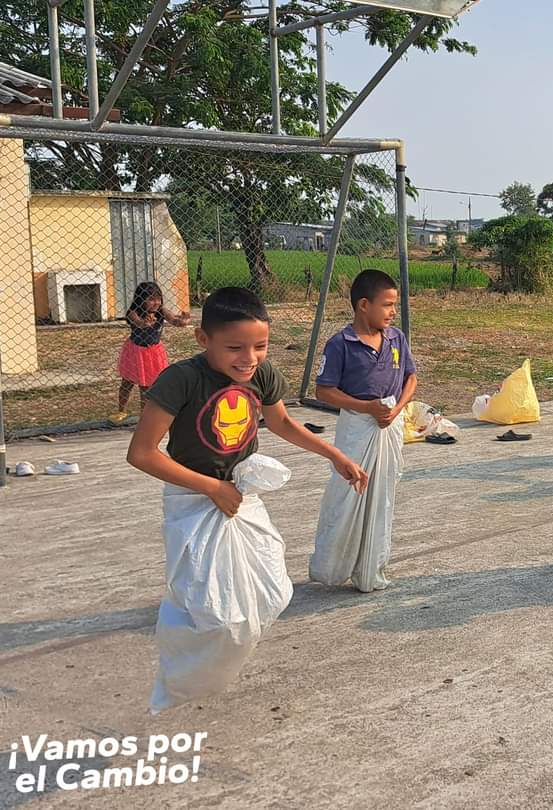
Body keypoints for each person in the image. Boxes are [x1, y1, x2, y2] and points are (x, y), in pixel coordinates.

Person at [126, 286, 367, 710]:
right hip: (192, 498)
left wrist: (334, 455)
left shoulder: (262, 374)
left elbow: (282, 423)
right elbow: (142, 453)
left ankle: (212, 670)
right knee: (209, 611)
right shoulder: (181, 380)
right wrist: (212, 488)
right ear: (203, 339)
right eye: (235, 347)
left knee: (272, 593)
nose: (249, 358)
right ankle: (180, 682)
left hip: (239, 494)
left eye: (260, 346)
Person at [309, 269, 418, 592]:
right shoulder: (341, 344)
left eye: (394, 305)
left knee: (382, 497)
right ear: (363, 305)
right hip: (358, 428)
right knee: (348, 495)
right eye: (387, 305)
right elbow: (324, 391)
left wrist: (397, 409)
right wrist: (366, 407)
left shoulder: (396, 339)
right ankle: (333, 567)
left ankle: (371, 568)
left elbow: (411, 378)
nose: (392, 312)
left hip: (389, 425)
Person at [111, 281, 191, 425]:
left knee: (147, 387)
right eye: (151, 299)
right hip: (136, 352)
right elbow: (138, 323)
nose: (156, 302)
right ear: (141, 299)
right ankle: (121, 410)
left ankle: (145, 417)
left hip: (154, 352)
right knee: (127, 382)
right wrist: (145, 323)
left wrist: (183, 321)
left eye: (158, 298)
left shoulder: (162, 311)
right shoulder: (133, 313)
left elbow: (174, 320)